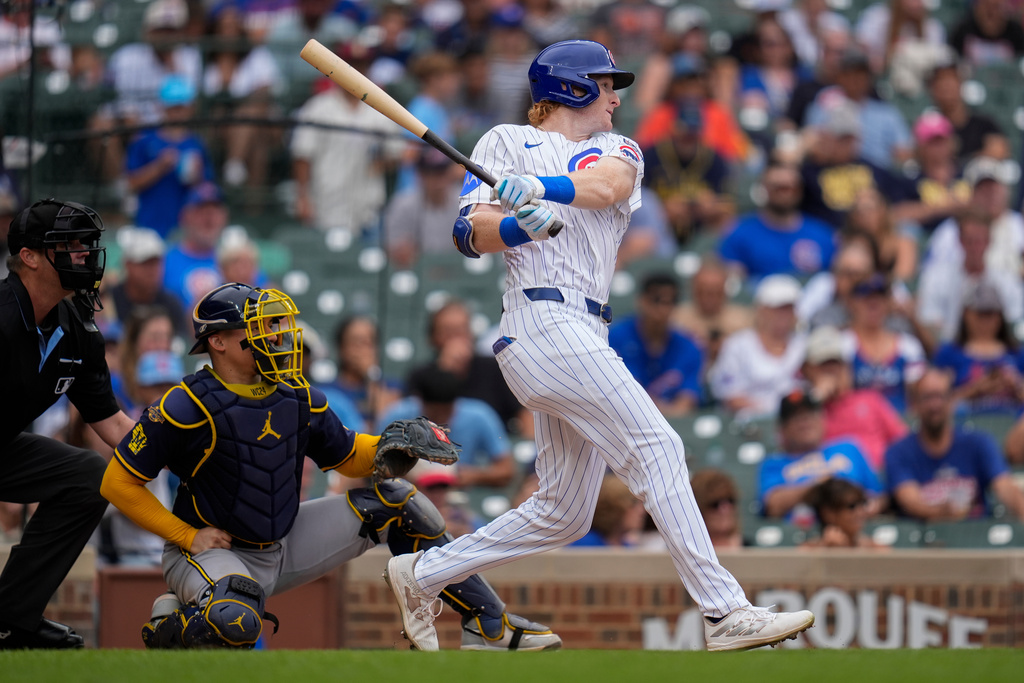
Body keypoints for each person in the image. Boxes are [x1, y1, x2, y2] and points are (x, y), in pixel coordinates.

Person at [383, 39, 814, 653]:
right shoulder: (502, 141)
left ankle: (422, 573)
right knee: (658, 445)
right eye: (606, 84)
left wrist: (539, 189)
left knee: (564, 511)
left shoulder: (616, 147)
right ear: (572, 86)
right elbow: (467, 233)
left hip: (585, 328)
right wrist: (511, 225)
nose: (616, 97)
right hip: (539, 320)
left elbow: (606, 186)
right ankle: (723, 611)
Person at [100, 282, 561, 651]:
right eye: (257, 326)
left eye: (274, 325)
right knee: (235, 619)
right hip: (209, 549)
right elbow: (118, 483)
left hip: (284, 539)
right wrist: (185, 536)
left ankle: (489, 623)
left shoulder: (297, 394)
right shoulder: (185, 403)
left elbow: (345, 454)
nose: (275, 335)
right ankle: (173, 627)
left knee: (400, 503)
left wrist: (392, 442)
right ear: (217, 341)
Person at [0, 199, 136, 648]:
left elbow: (113, 424)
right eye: (69, 244)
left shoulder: (77, 326)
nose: (83, 254)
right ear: (29, 257)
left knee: (89, 476)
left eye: (85, 245)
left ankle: (11, 618)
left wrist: (187, 452)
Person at [290, 43, 406, 235]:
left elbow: (398, 152)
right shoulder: (318, 107)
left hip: (368, 205)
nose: (356, 72)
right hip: (326, 202)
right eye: (351, 66)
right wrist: (302, 198)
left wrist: (383, 162)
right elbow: (302, 155)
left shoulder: (381, 109)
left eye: (362, 66)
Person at [885, 367, 1024, 521]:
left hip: (975, 535)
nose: (934, 405)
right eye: (927, 397)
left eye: (940, 396)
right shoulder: (899, 452)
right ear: (915, 404)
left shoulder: (978, 443)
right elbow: (910, 500)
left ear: (951, 400)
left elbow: (1004, 486)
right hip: (925, 538)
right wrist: (944, 512)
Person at [378, 366, 516, 492]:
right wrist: (407, 475)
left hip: (456, 496)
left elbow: (506, 469)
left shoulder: (479, 415)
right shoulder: (397, 416)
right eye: (435, 412)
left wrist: (474, 475)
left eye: (447, 412)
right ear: (420, 400)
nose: (441, 419)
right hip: (405, 493)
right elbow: (375, 462)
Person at [758, 390, 886, 520]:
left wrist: (869, 507)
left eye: (810, 413)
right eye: (795, 417)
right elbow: (773, 506)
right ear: (782, 429)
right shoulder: (773, 463)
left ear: (823, 419)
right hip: (804, 532)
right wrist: (823, 488)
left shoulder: (849, 448)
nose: (804, 420)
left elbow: (878, 495)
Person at [800, 325, 909, 473]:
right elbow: (799, 452)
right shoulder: (806, 409)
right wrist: (816, 399)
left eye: (836, 363)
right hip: (834, 481)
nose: (832, 371)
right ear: (808, 370)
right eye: (823, 366)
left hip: (880, 476)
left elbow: (904, 441)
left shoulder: (870, 399)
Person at [916, 209, 1024, 347]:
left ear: (989, 241)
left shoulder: (1007, 281)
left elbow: (1015, 326)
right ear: (960, 241)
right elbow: (929, 323)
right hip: (950, 353)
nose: (974, 247)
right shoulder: (936, 277)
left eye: (979, 241)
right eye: (969, 240)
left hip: (997, 353)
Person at [124, 75, 214, 238]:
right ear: (162, 108)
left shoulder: (197, 144)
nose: (177, 113)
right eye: (172, 107)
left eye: (181, 107)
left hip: (185, 230)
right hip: (148, 225)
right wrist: (159, 167)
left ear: (190, 108)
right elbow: (131, 183)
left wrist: (197, 176)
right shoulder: (144, 141)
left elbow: (207, 189)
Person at [707, 274, 807, 418]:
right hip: (747, 425)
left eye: (789, 308)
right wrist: (772, 413)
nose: (784, 315)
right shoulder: (737, 346)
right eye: (777, 308)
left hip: (794, 422)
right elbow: (730, 397)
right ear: (761, 309)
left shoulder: (803, 346)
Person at [718, 161, 836, 280]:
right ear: (764, 189)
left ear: (799, 190)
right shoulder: (741, 234)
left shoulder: (821, 234)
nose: (785, 194)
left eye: (790, 188)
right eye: (778, 188)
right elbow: (735, 283)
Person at [608, 272, 704, 417]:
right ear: (642, 301)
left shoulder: (688, 347)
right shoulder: (616, 338)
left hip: (671, 425)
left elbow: (686, 403)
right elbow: (627, 397)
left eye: (670, 301)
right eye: (656, 300)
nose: (663, 309)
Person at [933, 280, 1024, 416]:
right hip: (965, 427)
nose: (985, 321)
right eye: (980, 314)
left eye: (991, 314)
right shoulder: (948, 354)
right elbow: (937, 405)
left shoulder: (1017, 354)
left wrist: (1015, 385)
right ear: (966, 314)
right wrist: (975, 389)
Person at [105, 226, 188, 338]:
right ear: (128, 265)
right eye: (145, 263)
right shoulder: (108, 300)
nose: (152, 271)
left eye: (157, 263)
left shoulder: (172, 304)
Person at [672, 258, 753, 365]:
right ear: (693, 291)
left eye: (715, 293)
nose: (708, 299)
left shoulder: (744, 321)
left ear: (724, 292)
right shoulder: (675, 320)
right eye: (702, 292)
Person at [800, 478, 884, 549]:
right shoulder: (808, 550)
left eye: (862, 503)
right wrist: (825, 550)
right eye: (852, 506)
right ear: (829, 513)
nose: (860, 511)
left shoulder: (876, 549)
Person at [569, 473, 646, 547]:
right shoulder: (586, 544)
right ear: (614, 508)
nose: (642, 511)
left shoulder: (628, 547)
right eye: (633, 503)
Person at [690, 469, 745, 549]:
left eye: (730, 500)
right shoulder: (678, 554)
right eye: (715, 504)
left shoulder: (755, 550)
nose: (726, 509)